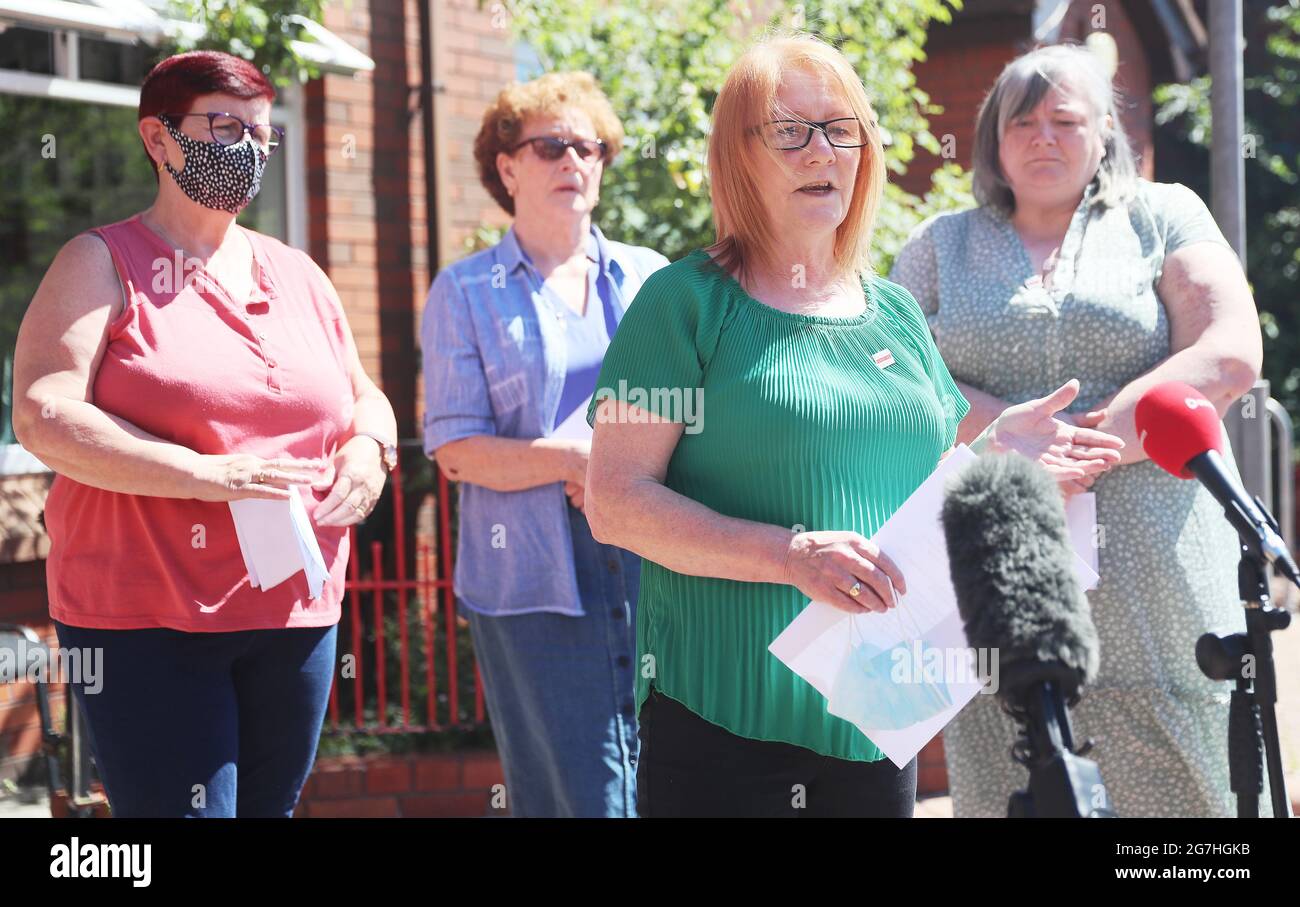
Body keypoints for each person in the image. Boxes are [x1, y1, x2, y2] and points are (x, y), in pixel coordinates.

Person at [582, 32, 1124, 818]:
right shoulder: (682, 303)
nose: (821, 151)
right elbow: (616, 500)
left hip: (878, 715)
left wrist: (1005, 456)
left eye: (841, 128)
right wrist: (788, 555)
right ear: (739, 155)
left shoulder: (896, 312)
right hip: (724, 720)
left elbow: (929, 490)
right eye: (790, 130)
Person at [11, 50, 397, 818]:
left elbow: (364, 395)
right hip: (148, 614)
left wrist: (369, 449)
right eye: (225, 127)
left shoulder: (302, 275)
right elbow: (44, 412)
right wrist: (201, 474)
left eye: (262, 132)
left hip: (295, 609)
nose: (249, 148)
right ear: (158, 139)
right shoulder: (102, 261)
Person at [890, 44, 1267, 817]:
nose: (1043, 137)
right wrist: (1012, 438)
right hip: (1004, 558)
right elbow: (891, 375)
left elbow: (1228, 352)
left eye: (1065, 119)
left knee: (1185, 777)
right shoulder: (937, 245)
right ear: (994, 139)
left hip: (1159, 562)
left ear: (1104, 135)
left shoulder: (1164, 215)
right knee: (1015, 764)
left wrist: (1091, 440)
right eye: (1021, 121)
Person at [420, 72, 669, 817]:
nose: (573, 162)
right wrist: (573, 462)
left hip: (654, 558)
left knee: (668, 776)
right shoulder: (464, 291)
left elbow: (695, 413)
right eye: (551, 145)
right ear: (506, 167)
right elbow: (455, 447)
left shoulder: (652, 277)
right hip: (532, 572)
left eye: (589, 147)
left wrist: (631, 465)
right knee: (577, 790)